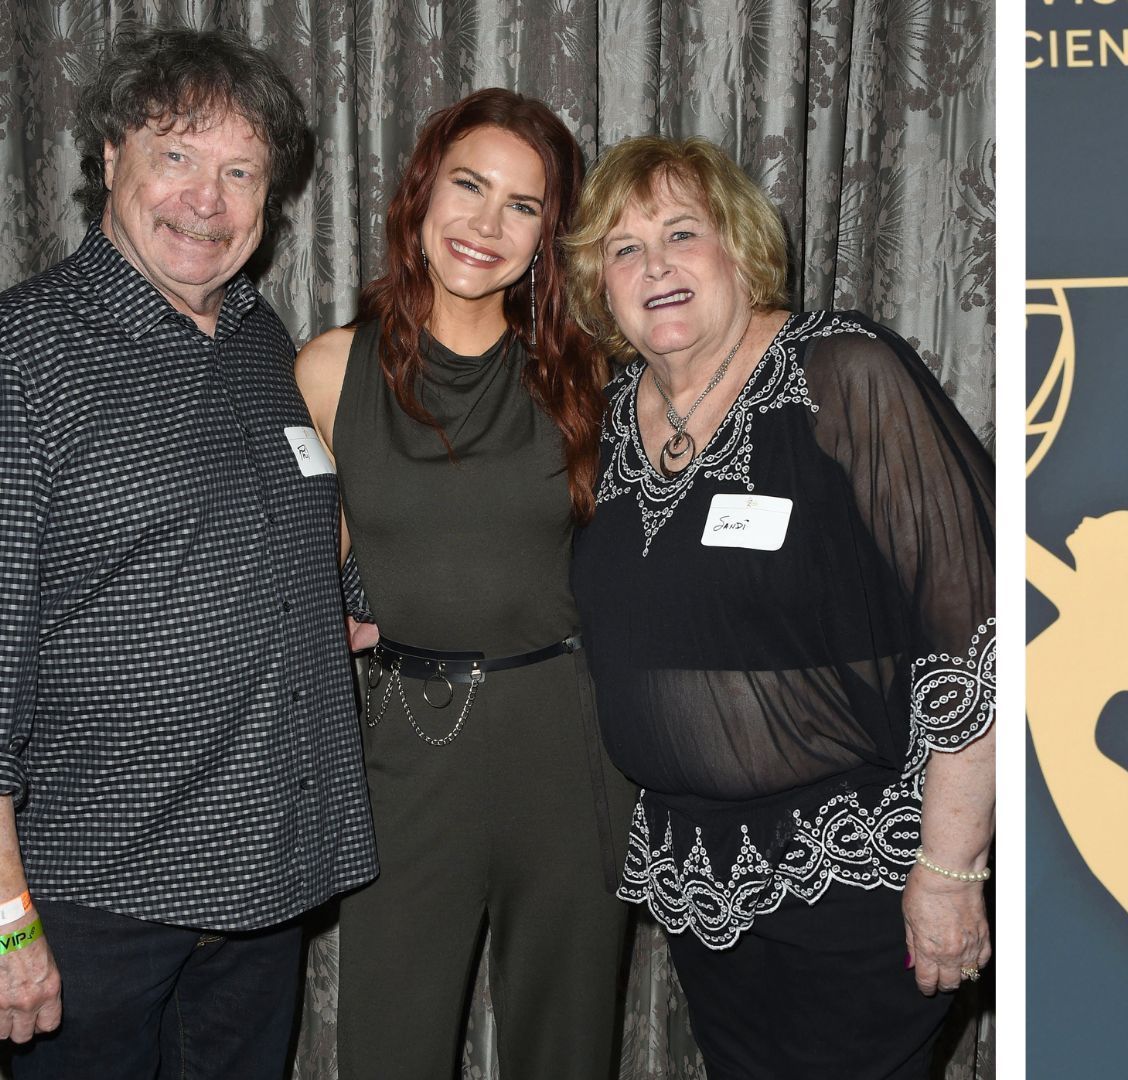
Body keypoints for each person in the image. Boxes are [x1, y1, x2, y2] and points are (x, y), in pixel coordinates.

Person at [565, 136, 995, 1079]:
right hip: (697, 882)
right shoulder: (604, 418)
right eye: (625, 249)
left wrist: (950, 869)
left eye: (682, 233)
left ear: (741, 246)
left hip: (854, 874)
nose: (655, 266)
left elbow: (978, 643)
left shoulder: (842, 371)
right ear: (600, 284)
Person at [0, 24, 377, 1078]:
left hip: (262, 889)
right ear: (109, 156)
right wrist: (6, 920)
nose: (206, 200)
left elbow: (292, 537)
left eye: (240, 171)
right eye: (177, 156)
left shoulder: (261, 339)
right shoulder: (23, 354)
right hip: (93, 902)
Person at [292, 89, 631, 1078]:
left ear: (548, 235)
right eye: (468, 186)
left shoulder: (593, 374)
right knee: (387, 1047)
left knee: (566, 1047)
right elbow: (305, 567)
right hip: (408, 741)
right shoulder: (330, 369)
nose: (486, 224)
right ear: (421, 193)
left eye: (522, 205)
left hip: (568, 740)